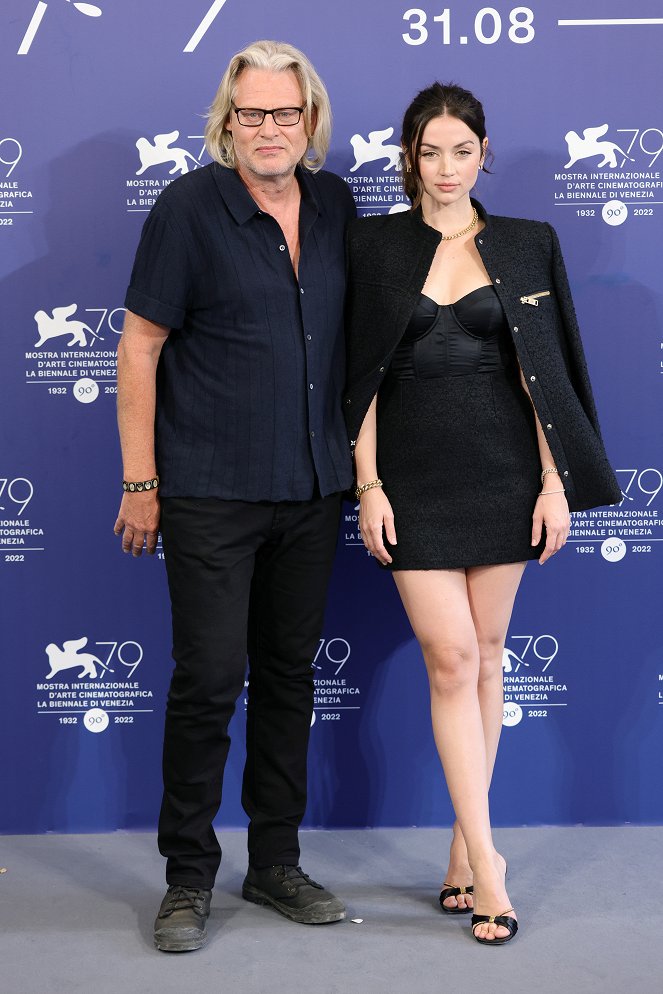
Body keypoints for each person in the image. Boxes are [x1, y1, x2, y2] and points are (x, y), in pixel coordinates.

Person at [343, 82, 620, 945]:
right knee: (451, 656)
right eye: (431, 152)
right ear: (409, 158)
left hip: (505, 475)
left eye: (463, 151)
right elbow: (357, 385)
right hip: (413, 483)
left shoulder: (528, 243)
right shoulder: (374, 246)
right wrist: (370, 487)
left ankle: (464, 850)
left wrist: (551, 483)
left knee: (490, 655)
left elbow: (547, 374)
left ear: (483, 154)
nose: (447, 168)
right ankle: (492, 867)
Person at [114, 40, 356, 952]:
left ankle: (276, 863)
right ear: (228, 121)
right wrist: (141, 481)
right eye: (251, 113)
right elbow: (138, 346)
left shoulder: (334, 206)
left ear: (309, 122)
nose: (267, 129)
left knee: (290, 679)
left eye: (283, 114)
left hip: (310, 487)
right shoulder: (187, 208)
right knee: (210, 680)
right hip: (209, 491)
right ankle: (186, 878)